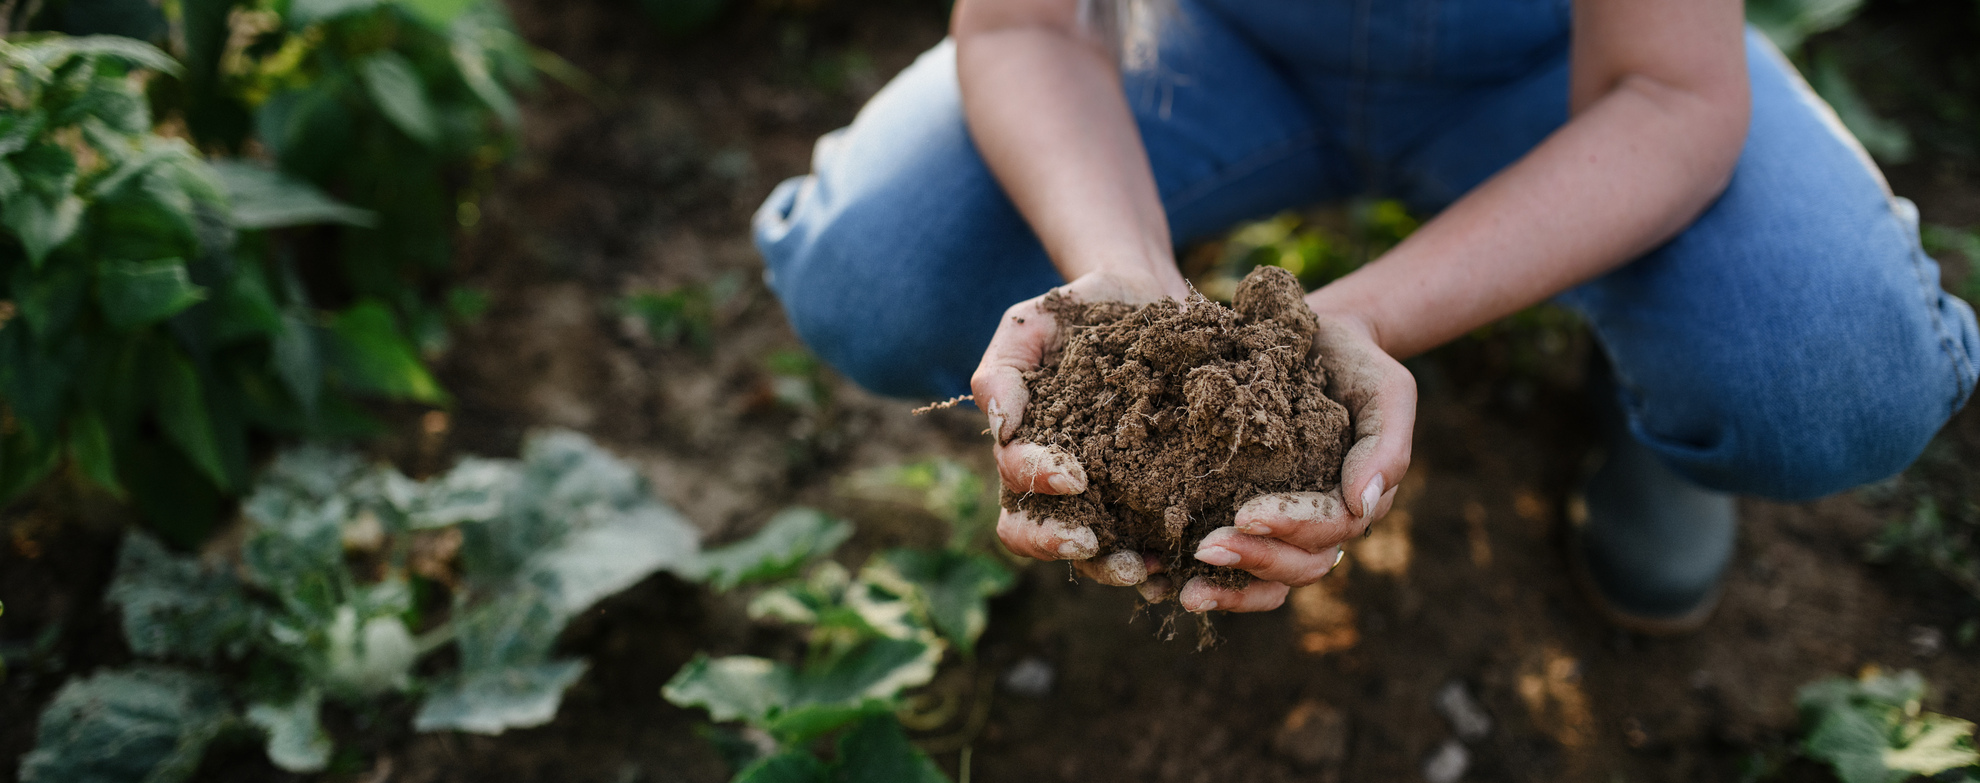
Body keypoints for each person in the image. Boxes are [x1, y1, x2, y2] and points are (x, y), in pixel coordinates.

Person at [752, 0, 1980, 632]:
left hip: (1564, 65)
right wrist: (1125, 283)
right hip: (1210, 39)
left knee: (1828, 372)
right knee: (879, 276)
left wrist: (1348, 324)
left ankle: (1663, 403)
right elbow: (1028, 24)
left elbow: (1667, 90)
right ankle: (1177, 244)